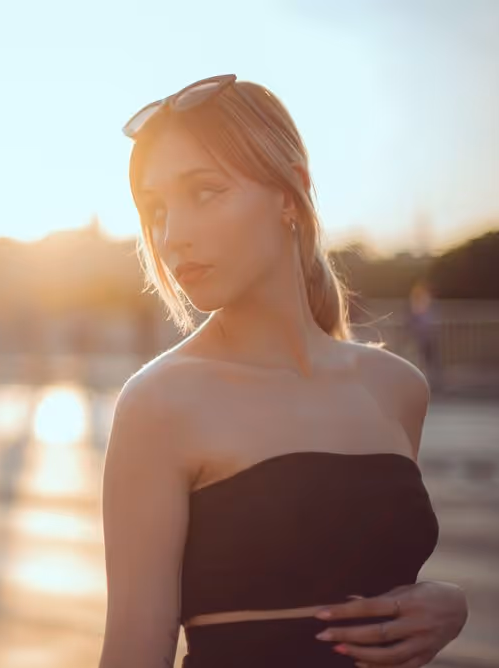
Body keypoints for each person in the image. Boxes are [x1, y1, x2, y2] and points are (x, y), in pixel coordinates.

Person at [98, 75, 467, 668]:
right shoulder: (159, 404)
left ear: (290, 195)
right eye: (156, 209)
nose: (172, 236)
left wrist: (445, 604)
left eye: (205, 192)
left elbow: (355, 565)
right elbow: (134, 652)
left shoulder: (398, 389)